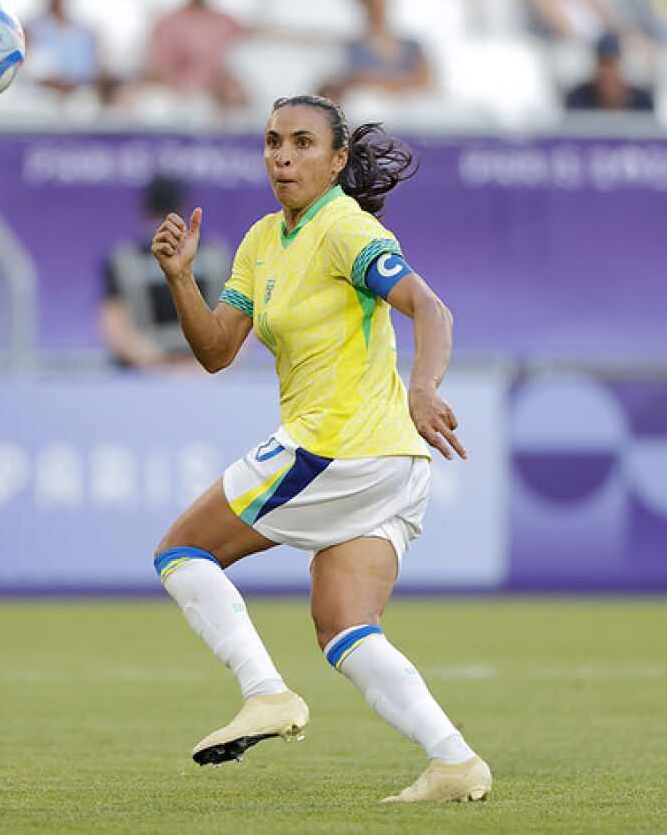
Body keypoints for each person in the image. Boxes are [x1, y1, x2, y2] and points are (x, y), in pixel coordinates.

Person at [149, 94, 491, 803]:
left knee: (182, 553)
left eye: (303, 143)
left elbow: (432, 308)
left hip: (335, 446)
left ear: (337, 161)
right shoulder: (260, 241)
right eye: (273, 141)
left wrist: (423, 387)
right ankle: (454, 761)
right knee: (343, 624)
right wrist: (182, 278)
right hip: (390, 465)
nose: (282, 155)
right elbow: (216, 350)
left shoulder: (344, 228)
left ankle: (265, 693)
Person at [99, 174, 230, 369]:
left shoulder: (121, 260)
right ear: (185, 208)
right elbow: (239, 321)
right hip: (188, 367)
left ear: (146, 210)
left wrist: (161, 365)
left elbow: (113, 323)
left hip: (158, 368)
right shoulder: (217, 255)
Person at [142, 0, 250, 111]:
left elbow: (256, 38)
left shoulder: (225, 21)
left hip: (218, 103)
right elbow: (157, 70)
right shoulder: (168, 22)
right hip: (178, 103)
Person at [23, 0, 115, 102]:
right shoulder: (28, 30)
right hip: (43, 106)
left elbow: (100, 73)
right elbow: (32, 74)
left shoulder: (88, 32)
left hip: (84, 104)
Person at [565, 31, 655, 110]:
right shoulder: (577, 98)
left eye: (611, 64)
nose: (607, 72)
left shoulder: (642, 100)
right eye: (603, 64)